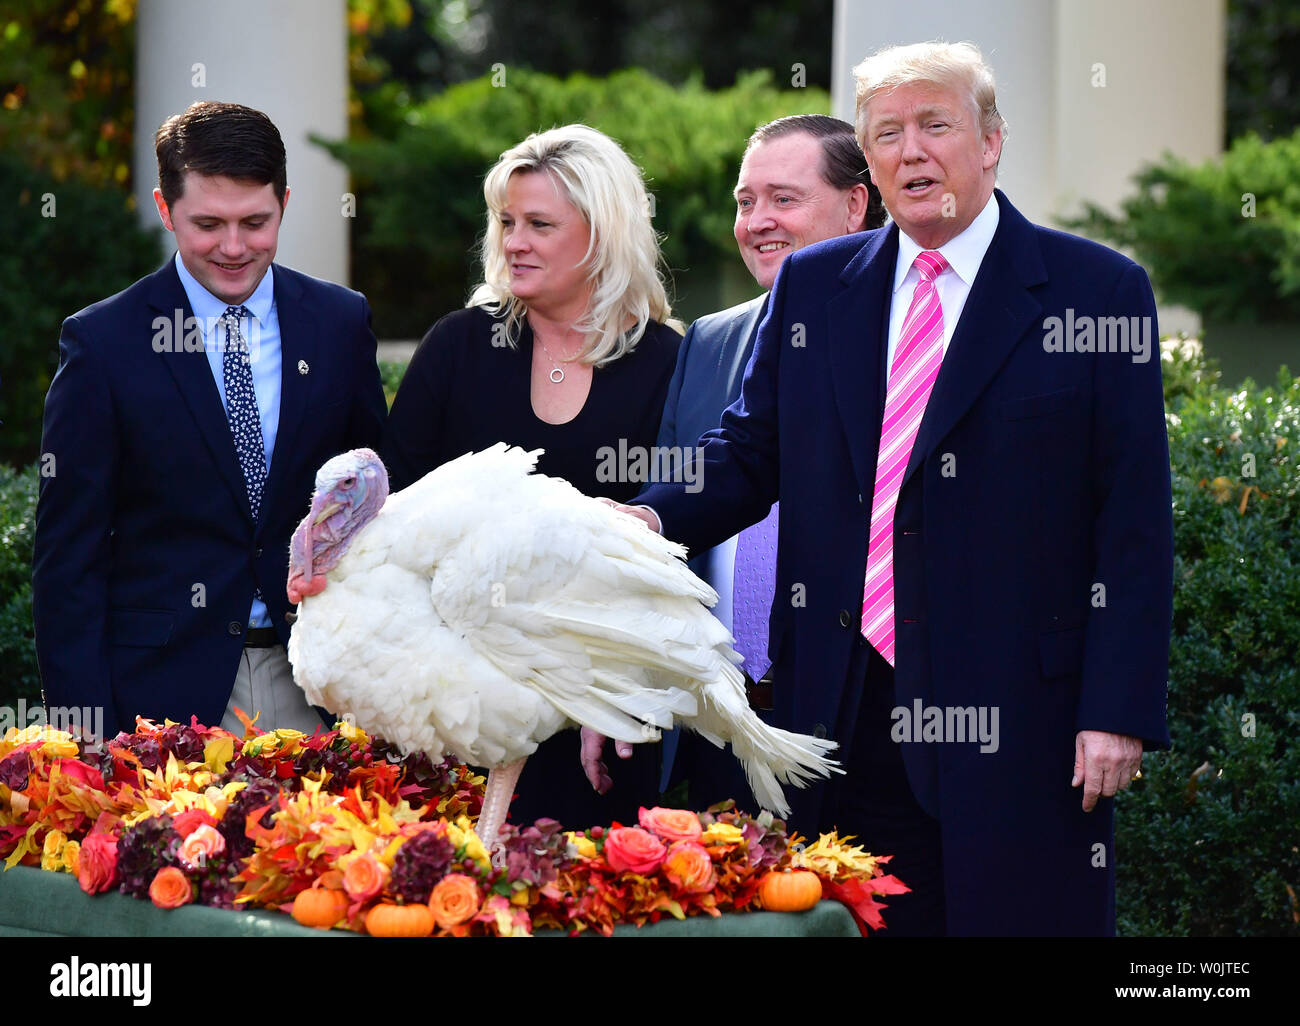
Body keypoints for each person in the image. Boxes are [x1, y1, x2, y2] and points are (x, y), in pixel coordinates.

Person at [622, 42, 1173, 936]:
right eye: (887, 133)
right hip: (838, 711)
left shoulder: (1095, 289)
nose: (912, 150)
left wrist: (1117, 711)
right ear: (869, 164)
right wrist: (645, 513)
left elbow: (1135, 522)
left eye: (935, 125)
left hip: (1021, 725)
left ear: (991, 142)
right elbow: (746, 452)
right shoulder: (814, 287)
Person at [32, 101, 387, 741]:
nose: (232, 247)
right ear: (165, 210)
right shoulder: (102, 343)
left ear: (286, 202)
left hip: (326, 684)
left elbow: (381, 507)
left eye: (256, 222)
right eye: (207, 224)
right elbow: (68, 562)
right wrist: (86, 741)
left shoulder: (340, 323)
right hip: (158, 703)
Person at [379, 124, 682, 830]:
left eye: (539, 225)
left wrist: (604, 692)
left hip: (596, 714)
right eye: (507, 222)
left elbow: (667, 552)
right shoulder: (459, 345)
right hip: (451, 708)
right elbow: (391, 519)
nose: (513, 241)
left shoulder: (668, 362)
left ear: (602, 237)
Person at [656, 114, 885, 809]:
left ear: (856, 205)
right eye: (744, 200)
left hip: (852, 726)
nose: (757, 221)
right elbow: (683, 521)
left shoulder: (905, 340)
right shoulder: (707, 341)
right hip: (716, 726)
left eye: (783, 198)